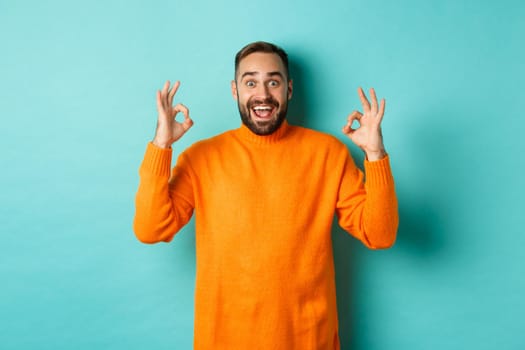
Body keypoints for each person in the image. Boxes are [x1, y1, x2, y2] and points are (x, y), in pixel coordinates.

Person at [133, 41, 398, 350]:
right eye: (250, 82)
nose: (262, 94)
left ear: (289, 89)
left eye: (273, 81)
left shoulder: (328, 154)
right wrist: (161, 144)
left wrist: (375, 154)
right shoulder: (200, 158)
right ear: (235, 90)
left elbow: (380, 235)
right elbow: (150, 229)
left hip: (310, 341)